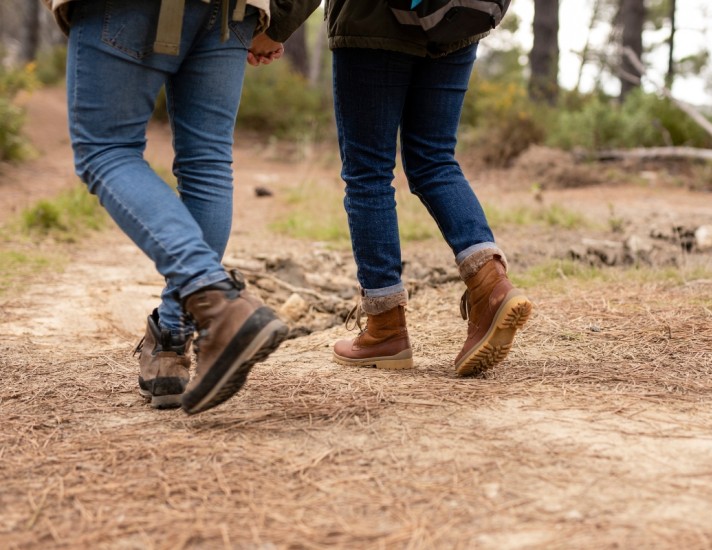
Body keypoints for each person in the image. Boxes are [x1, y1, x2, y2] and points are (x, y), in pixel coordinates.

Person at [44, 0, 317, 413]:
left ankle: (218, 304)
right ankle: (172, 343)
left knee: (106, 150)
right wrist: (278, 22)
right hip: (234, 10)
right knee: (206, 162)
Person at [253, 2, 533, 375]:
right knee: (435, 159)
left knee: (368, 173)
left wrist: (273, 30)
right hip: (456, 16)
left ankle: (386, 328)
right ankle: (491, 284)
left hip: (374, 23)